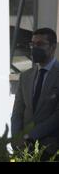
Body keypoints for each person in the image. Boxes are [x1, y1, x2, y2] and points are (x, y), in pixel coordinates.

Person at [11, 27, 59, 159]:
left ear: (53, 47)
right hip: (24, 149)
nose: (34, 48)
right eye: (32, 44)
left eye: (40, 44)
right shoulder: (25, 76)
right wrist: (16, 138)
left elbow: (56, 117)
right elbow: (17, 111)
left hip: (51, 149)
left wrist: (29, 136)